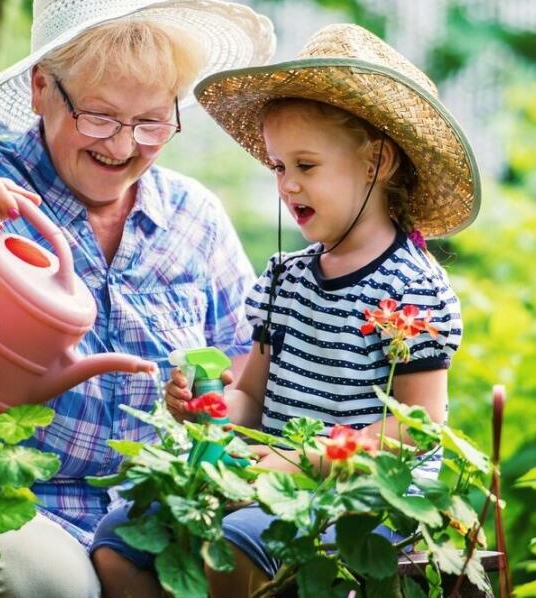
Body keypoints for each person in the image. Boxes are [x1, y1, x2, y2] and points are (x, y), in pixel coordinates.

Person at [0, 1, 275, 596]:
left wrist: (213, 405)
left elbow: (243, 379)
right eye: (99, 116)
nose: (123, 146)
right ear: (42, 87)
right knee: (48, 583)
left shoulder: (193, 219)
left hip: (134, 522)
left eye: (151, 122)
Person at [90, 23, 481, 597]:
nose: (287, 185)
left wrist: (312, 461)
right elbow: (253, 397)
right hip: (269, 486)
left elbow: (417, 429)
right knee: (119, 538)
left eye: (306, 165)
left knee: (229, 547)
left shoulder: (412, 289)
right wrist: (211, 407)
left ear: (378, 161)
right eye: (277, 167)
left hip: (365, 500)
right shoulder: (284, 280)